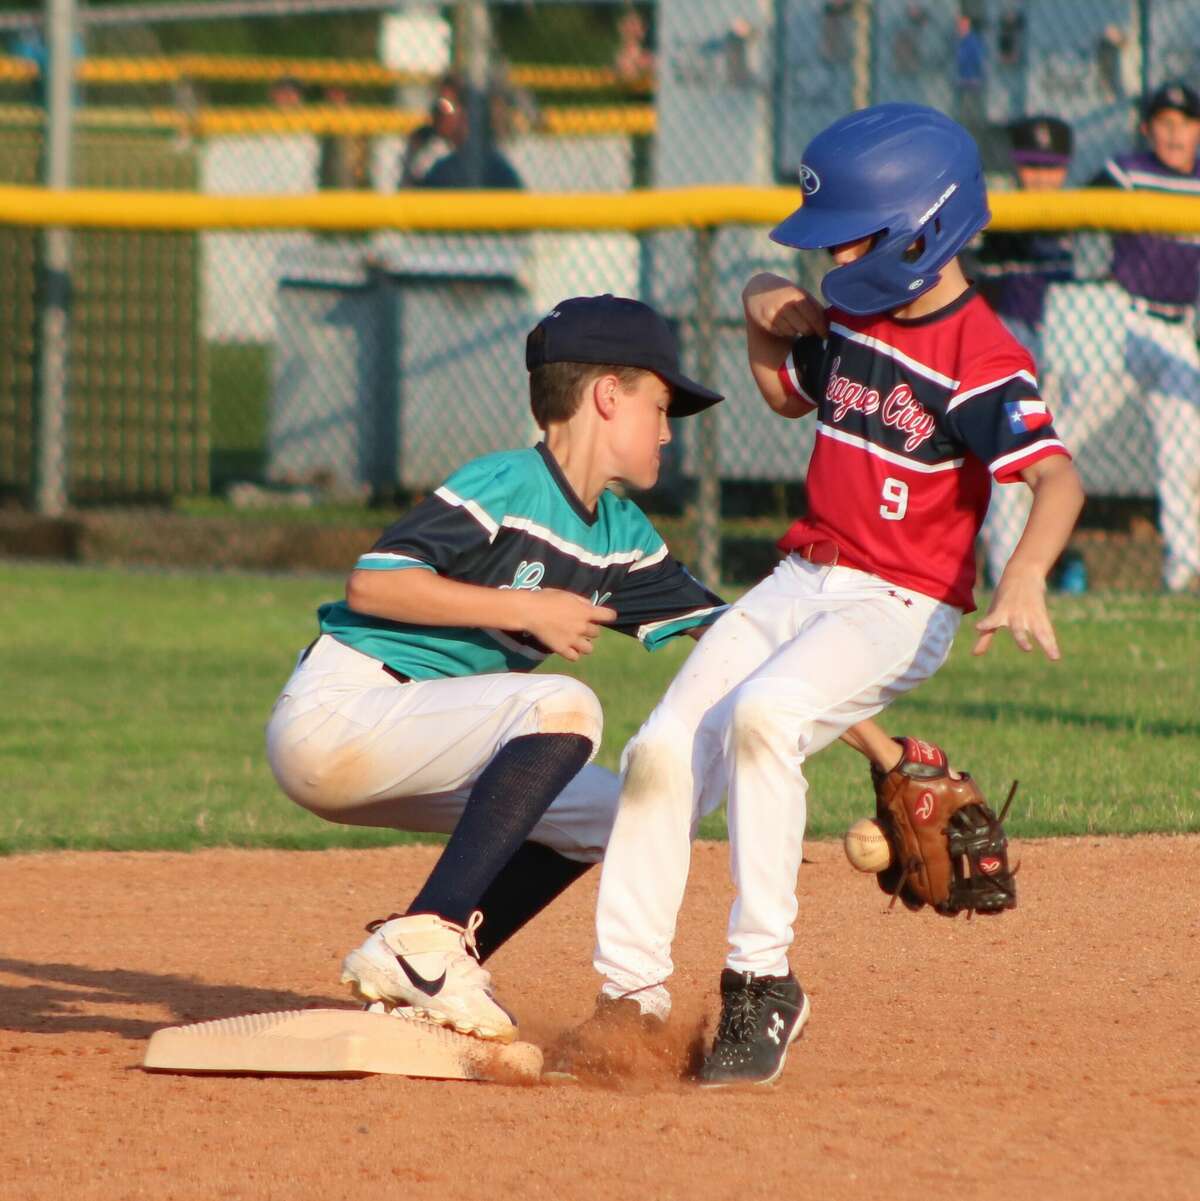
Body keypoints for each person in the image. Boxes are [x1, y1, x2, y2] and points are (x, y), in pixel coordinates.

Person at [572, 104, 1084, 1088]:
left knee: (766, 715)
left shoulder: (984, 357)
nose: (832, 254)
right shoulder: (854, 313)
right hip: (802, 581)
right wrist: (772, 303)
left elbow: (1057, 478)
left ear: (922, 230)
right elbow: (780, 384)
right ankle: (629, 994)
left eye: (850, 233)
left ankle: (762, 983)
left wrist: (1025, 570)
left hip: (901, 604)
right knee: (659, 752)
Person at [265, 294, 732, 1044]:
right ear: (608, 396)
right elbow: (373, 583)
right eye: (661, 404)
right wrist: (527, 609)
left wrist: (891, 757)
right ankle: (427, 942)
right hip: (341, 712)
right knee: (564, 704)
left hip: (428, 738)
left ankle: (432, 965)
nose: (668, 432)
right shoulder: (508, 483)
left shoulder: (621, 536)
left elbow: (736, 640)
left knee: (624, 813)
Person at [1087, 81, 1200, 593]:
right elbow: (1074, 211)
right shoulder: (1127, 171)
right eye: (1165, 122)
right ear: (1147, 128)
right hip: (1121, 322)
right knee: (1059, 433)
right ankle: (1009, 558)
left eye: (1186, 122)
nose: (1175, 133)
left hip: (1178, 331)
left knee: (1185, 456)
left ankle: (1183, 573)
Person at [974, 115, 1076, 586]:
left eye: (1050, 167)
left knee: (1049, 463)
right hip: (1012, 346)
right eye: (1031, 165)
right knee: (1013, 468)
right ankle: (1006, 572)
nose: (1039, 177)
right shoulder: (994, 217)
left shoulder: (1082, 214)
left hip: (1075, 355)